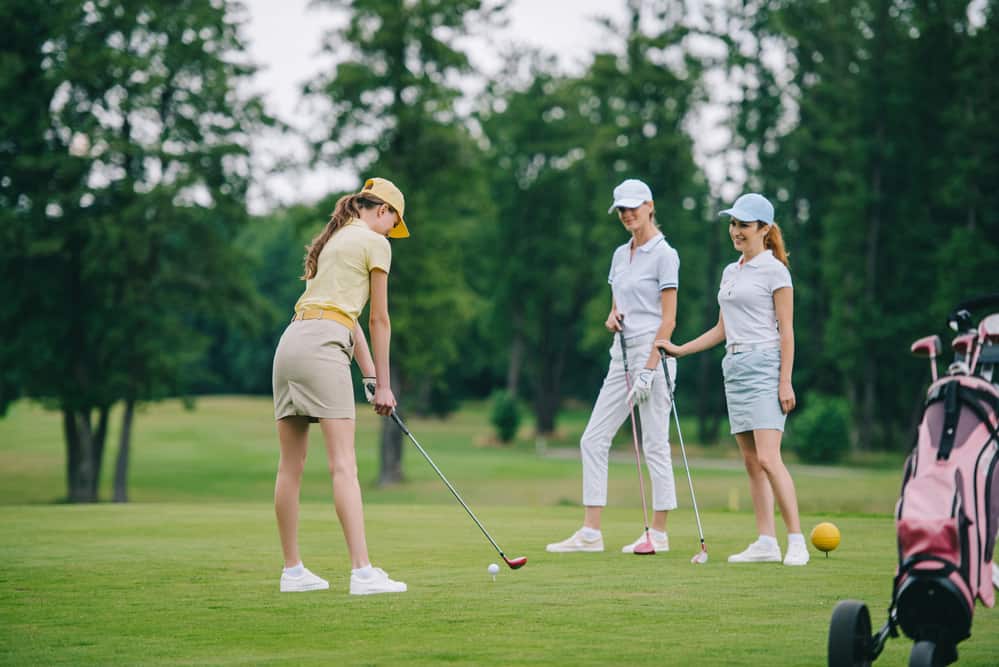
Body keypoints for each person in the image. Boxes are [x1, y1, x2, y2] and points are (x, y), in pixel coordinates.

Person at [271, 177, 410, 594]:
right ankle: (362, 571)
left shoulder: (333, 242)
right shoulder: (374, 242)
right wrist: (385, 385)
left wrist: (369, 376)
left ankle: (292, 571)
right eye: (393, 223)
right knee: (343, 465)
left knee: (290, 466)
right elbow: (377, 319)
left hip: (290, 344)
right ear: (382, 211)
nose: (391, 233)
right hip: (323, 348)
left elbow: (344, 314)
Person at [658, 193, 809, 566]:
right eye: (732, 224)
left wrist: (785, 381)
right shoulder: (731, 271)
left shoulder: (776, 271)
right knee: (750, 461)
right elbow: (723, 328)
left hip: (766, 364)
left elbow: (787, 332)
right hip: (735, 367)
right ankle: (766, 541)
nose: (735, 231)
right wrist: (681, 349)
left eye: (743, 225)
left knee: (770, 459)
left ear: (764, 229)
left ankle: (796, 541)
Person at [546, 178, 679, 554]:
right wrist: (612, 317)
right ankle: (591, 533)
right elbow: (617, 305)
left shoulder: (665, 253)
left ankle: (660, 534)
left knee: (654, 444)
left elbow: (667, 320)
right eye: (621, 209)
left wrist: (651, 369)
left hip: (654, 353)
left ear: (650, 205)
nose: (627, 214)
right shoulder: (621, 255)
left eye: (633, 207)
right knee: (593, 438)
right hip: (620, 354)